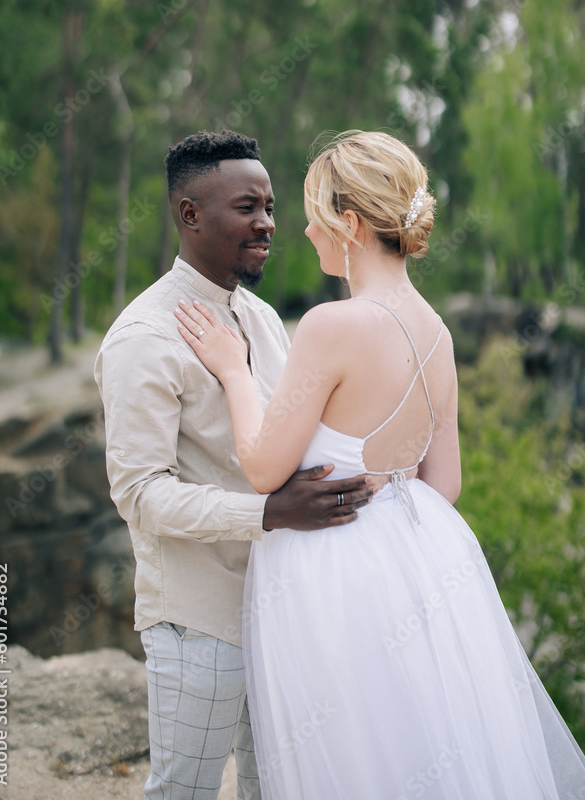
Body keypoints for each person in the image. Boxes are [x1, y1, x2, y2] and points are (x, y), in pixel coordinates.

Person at [174, 129, 585, 800]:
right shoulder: (435, 330)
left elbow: (263, 468)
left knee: (350, 757)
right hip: (417, 563)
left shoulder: (331, 326)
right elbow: (445, 483)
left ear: (348, 224)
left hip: (332, 577)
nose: (303, 231)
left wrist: (234, 371)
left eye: (314, 214)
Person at [94, 130, 373, 800]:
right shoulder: (143, 339)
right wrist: (270, 514)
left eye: (271, 206)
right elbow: (141, 496)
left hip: (281, 614)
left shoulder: (264, 320)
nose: (268, 223)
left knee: (272, 789)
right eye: (248, 207)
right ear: (190, 214)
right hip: (200, 622)